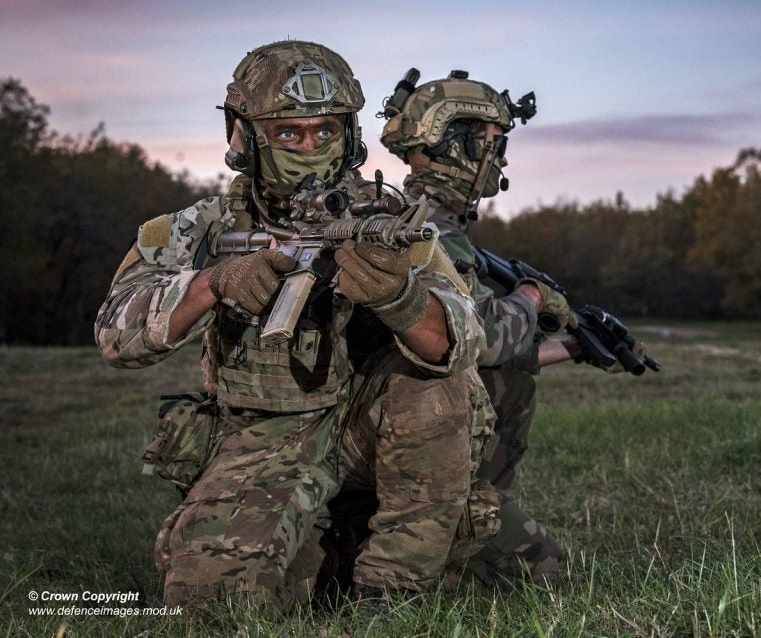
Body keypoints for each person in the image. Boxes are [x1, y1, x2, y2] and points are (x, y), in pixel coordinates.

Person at [95, 41, 492, 609]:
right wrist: (213, 282)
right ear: (245, 135)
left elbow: (463, 339)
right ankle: (330, 550)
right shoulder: (196, 228)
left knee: (439, 391)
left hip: (370, 428)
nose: (310, 148)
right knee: (213, 604)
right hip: (264, 433)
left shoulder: (388, 220)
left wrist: (400, 298)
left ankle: (393, 594)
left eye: (325, 130)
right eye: (288, 133)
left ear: (349, 135)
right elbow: (115, 335)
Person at [377, 69, 584, 587]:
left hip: (380, 427)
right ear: (461, 143)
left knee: (513, 379)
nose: (503, 159)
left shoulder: (402, 215)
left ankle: (457, 523)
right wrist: (532, 296)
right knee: (546, 570)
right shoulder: (430, 231)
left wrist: (577, 346)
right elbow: (484, 339)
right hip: (398, 436)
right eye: (496, 143)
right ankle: (456, 525)